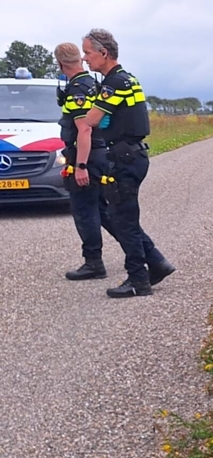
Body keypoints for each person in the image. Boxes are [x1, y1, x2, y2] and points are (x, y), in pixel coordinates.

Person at [82, 28, 175, 298]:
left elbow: (92, 119)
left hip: (125, 158)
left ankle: (138, 280)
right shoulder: (125, 78)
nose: (86, 59)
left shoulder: (114, 83)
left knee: (125, 221)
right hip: (129, 156)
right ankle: (156, 263)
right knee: (121, 217)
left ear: (104, 53)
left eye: (88, 53)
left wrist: (92, 109)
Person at [53, 42, 118, 280]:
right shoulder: (92, 84)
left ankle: (93, 262)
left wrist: (80, 165)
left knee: (84, 210)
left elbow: (84, 130)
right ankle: (141, 253)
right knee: (103, 210)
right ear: (80, 59)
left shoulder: (77, 89)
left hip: (87, 155)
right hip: (101, 153)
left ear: (60, 64)